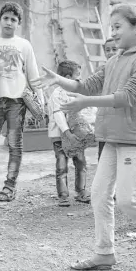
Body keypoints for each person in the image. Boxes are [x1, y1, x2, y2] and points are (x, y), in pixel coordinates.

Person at [32, 3, 136, 270]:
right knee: (100, 194)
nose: (112, 33)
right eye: (110, 27)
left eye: (117, 27)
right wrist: (58, 80)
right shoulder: (115, 60)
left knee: (128, 200)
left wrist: (84, 102)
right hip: (113, 136)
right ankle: (104, 253)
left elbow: (127, 97)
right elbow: (86, 84)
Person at [0, 2, 44, 202]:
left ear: (18, 23)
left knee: (14, 145)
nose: (9, 22)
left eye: (14, 19)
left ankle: (10, 186)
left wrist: (41, 104)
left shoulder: (24, 45)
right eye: (6, 18)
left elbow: (33, 74)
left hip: (17, 102)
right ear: (0, 19)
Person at [100, 38, 136, 195]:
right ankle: (112, 189)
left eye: (113, 49)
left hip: (126, 121)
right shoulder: (104, 68)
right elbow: (90, 88)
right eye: (107, 49)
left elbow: (129, 95)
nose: (110, 52)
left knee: (129, 161)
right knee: (106, 160)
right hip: (107, 122)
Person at [48, 60, 92, 207]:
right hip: (60, 136)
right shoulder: (57, 94)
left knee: (80, 162)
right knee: (61, 165)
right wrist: (67, 133)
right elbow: (58, 115)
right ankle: (63, 195)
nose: (80, 78)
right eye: (77, 75)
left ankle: (81, 191)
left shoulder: (76, 92)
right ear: (68, 77)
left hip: (76, 136)